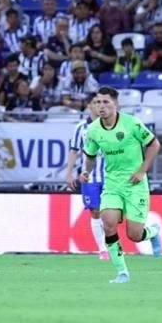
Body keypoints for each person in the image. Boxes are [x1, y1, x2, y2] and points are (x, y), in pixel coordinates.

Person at [80, 86, 162, 283]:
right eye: (98, 102)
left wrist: (142, 170)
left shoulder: (132, 124)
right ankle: (122, 272)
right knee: (108, 224)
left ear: (116, 104)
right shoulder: (93, 129)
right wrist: (87, 171)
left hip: (135, 184)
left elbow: (154, 144)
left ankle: (153, 232)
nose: (101, 106)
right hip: (113, 184)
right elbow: (90, 155)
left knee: (134, 235)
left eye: (106, 102)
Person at [64, 95, 108, 259]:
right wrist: (68, 173)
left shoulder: (112, 125)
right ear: (89, 106)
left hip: (111, 177)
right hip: (89, 178)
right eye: (95, 103)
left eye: (102, 102)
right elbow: (74, 151)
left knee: (111, 214)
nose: (99, 106)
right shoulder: (81, 128)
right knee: (95, 212)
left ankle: (111, 244)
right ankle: (103, 249)